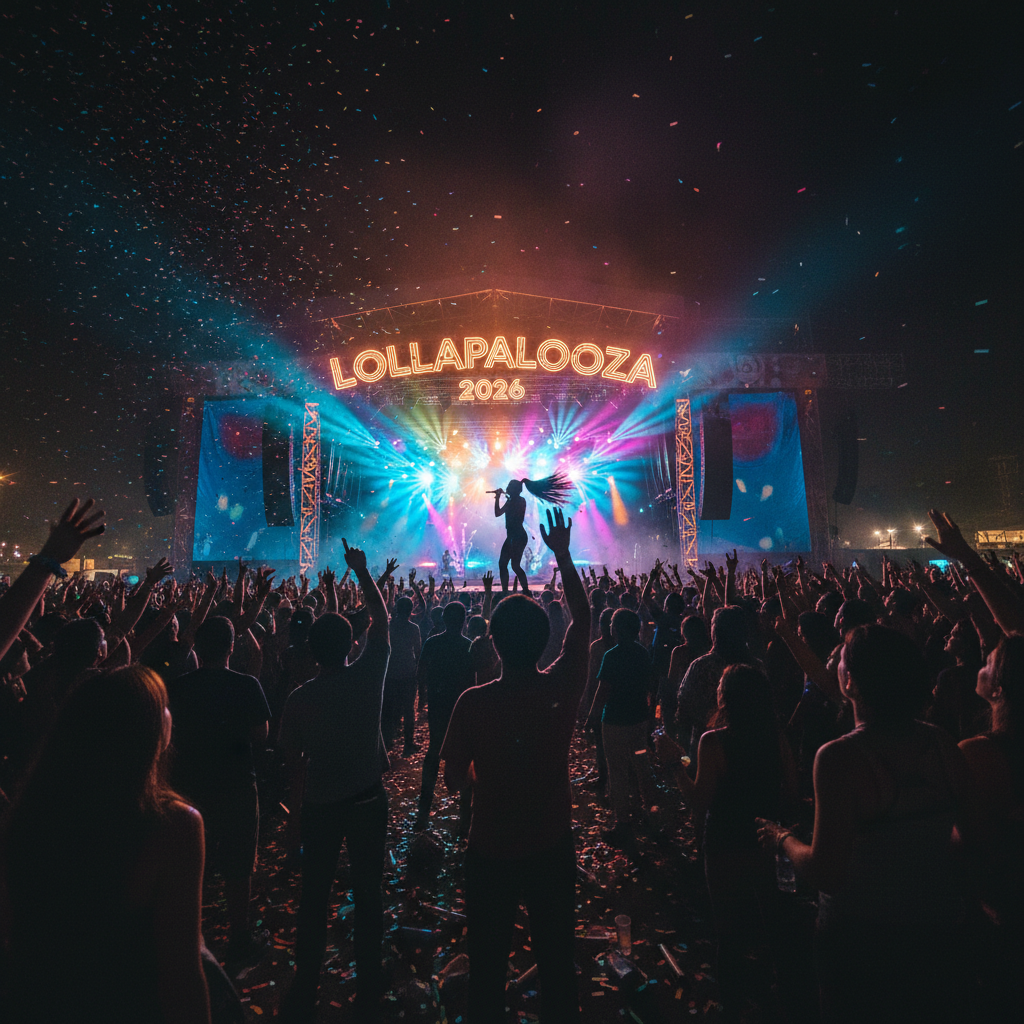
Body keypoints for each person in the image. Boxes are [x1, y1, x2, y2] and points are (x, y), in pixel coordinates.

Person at [757, 625, 973, 1024]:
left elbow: (827, 872)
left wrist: (782, 839)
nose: (834, 666)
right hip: (935, 931)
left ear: (851, 681)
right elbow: (968, 838)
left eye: (840, 661)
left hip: (861, 939)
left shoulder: (839, 758)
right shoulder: (942, 743)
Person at [441, 507, 589, 1023]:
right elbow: (585, 622)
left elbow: (455, 777)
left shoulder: (472, 704)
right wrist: (563, 555)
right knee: (556, 964)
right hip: (551, 842)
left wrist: (492, 767)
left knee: (486, 967)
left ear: (493, 641)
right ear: (545, 638)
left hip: (491, 848)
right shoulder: (559, 689)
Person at [1, 666, 212, 1023]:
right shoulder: (173, 825)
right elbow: (180, 973)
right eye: (162, 705)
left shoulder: (30, 817)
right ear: (143, 729)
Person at [277, 540, 390, 1024]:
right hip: (367, 799)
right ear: (352, 645)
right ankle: (370, 982)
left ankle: (306, 982)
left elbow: (292, 765)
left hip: (321, 806)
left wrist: (292, 821)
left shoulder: (300, 699)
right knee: (368, 891)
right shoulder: (368, 675)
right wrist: (362, 574)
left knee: (315, 893)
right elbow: (382, 626)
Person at [659, 665, 796, 1019]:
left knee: (729, 932)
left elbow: (698, 801)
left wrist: (674, 763)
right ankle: (789, 999)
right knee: (775, 927)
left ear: (725, 698)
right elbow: (792, 789)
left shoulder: (714, 741)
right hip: (766, 841)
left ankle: (732, 1006)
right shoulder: (775, 736)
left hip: (724, 845)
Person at [167, 616, 271, 964]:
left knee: (194, 862)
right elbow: (261, 735)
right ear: (231, 647)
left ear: (197, 645)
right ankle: (238, 937)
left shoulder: (178, 687)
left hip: (191, 786)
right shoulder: (246, 685)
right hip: (237, 783)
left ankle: (189, 937)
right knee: (239, 865)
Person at [958, 634, 1023, 1017]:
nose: (979, 664)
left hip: (997, 914)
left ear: (999, 687)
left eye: (988, 660)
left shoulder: (978, 754)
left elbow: (964, 840)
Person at [588, 608, 659, 846]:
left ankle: (623, 824)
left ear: (615, 629)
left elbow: (603, 690)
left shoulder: (612, 655)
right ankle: (652, 815)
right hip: (638, 720)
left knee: (617, 772)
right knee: (642, 766)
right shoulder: (642, 653)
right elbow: (650, 685)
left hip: (615, 722)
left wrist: (592, 717)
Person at [414, 599, 474, 831]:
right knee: (464, 755)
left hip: (438, 705)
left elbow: (421, 671)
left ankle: (423, 811)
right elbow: (473, 681)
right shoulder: (468, 645)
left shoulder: (432, 643)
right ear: (463, 621)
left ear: (444, 620)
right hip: (460, 707)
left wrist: (423, 696)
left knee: (434, 753)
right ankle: (465, 816)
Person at [491, 473, 572, 595]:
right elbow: (503, 509)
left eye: (509, 486)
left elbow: (498, 512)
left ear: (513, 489)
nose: (506, 488)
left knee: (514, 565)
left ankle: (523, 590)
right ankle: (508, 591)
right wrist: (503, 496)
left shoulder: (517, 501)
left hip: (517, 537)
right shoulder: (516, 500)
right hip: (514, 536)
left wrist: (498, 497)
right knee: (505, 564)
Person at [382, 595, 421, 756]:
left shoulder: (389, 626)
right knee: (408, 709)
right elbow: (418, 651)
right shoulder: (413, 628)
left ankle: (387, 742)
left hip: (390, 670)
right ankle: (408, 744)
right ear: (411, 610)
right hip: (408, 671)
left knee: (389, 707)